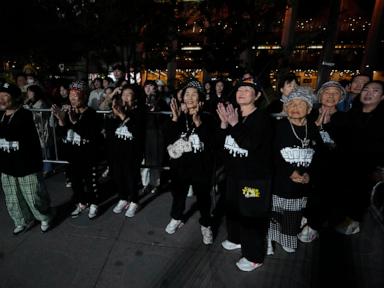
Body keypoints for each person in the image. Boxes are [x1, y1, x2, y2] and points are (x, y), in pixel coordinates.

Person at [216, 81, 273, 272]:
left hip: (253, 178)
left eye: (247, 90)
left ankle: (254, 256)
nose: (241, 93)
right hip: (233, 174)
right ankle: (236, 239)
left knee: (251, 217)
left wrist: (234, 124)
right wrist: (224, 124)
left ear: (256, 96)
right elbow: (222, 144)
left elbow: (250, 144)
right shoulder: (235, 114)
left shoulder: (263, 118)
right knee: (232, 209)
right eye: (239, 89)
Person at [268, 86, 322, 254]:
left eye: (300, 104)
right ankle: (269, 239)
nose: (295, 108)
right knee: (275, 213)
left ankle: (288, 239)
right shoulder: (278, 127)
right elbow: (272, 154)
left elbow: (318, 155)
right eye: (291, 104)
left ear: (309, 108)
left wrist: (308, 174)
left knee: (293, 214)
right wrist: (290, 172)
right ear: (285, 108)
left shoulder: (312, 128)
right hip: (280, 180)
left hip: (301, 182)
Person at [164, 80, 215, 245]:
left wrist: (199, 123)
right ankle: (176, 217)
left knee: (203, 197)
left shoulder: (208, 117)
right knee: (178, 193)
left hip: (201, 166)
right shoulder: (180, 117)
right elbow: (169, 139)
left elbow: (212, 143)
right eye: (187, 94)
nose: (190, 97)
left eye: (194, 94)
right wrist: (173, 118)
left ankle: (206, 224)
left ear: (200, 99)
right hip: (181, 165)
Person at [0, 81, 53, 234]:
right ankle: (22, 220)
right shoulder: (1, 116)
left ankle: (45, 217)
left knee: (34, 196)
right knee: (13, 198)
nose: (1, 99)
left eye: (5, 96)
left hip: (27, 165)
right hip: (6, 166)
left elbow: (20, 136)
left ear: (15, 98)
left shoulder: (25, 115)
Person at [300, 81, 346, 242]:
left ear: (341, 98)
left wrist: (324, 129)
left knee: (323, 195)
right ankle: (304, 216)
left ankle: (314, 225)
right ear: (320, 95)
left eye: (336, 93)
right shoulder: (309, 113)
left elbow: (341, 146)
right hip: (306, 161)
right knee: (304, 192)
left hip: (330, 166)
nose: (331, 96)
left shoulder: (344, 118)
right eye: (327, 92)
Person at [336, 80, 384, 234]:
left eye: (375, 90)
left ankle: (354, 220)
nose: (369, 93)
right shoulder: (351, 114)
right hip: (345, 165)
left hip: (368, 169)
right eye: (366, 89)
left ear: (382, 97)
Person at [51, 80, 101, 219]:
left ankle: (94, 203)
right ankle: (81, 202)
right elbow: (61, 134)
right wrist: (61, 120)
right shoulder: (67, 111)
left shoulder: (91, 113)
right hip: (72, 154)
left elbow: (89, 134)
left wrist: (74, 122)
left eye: (76, 94)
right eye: (71, 94)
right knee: (75, 182)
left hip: (88, 155)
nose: (73, 98)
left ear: (84, 96)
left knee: (91, 182)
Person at [107, 84, 145, 217]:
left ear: (135, 97)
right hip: (117, 150)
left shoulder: (140, 111)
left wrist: (123, 115)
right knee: (118, 176)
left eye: (129, 94)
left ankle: (135, 201)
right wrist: (115, 114)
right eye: (123, 94)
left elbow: (137, 131)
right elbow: (110, 130)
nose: (125, 97)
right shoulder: (117, 109)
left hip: (132, 151)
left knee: (131, 177)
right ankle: (123, 198)